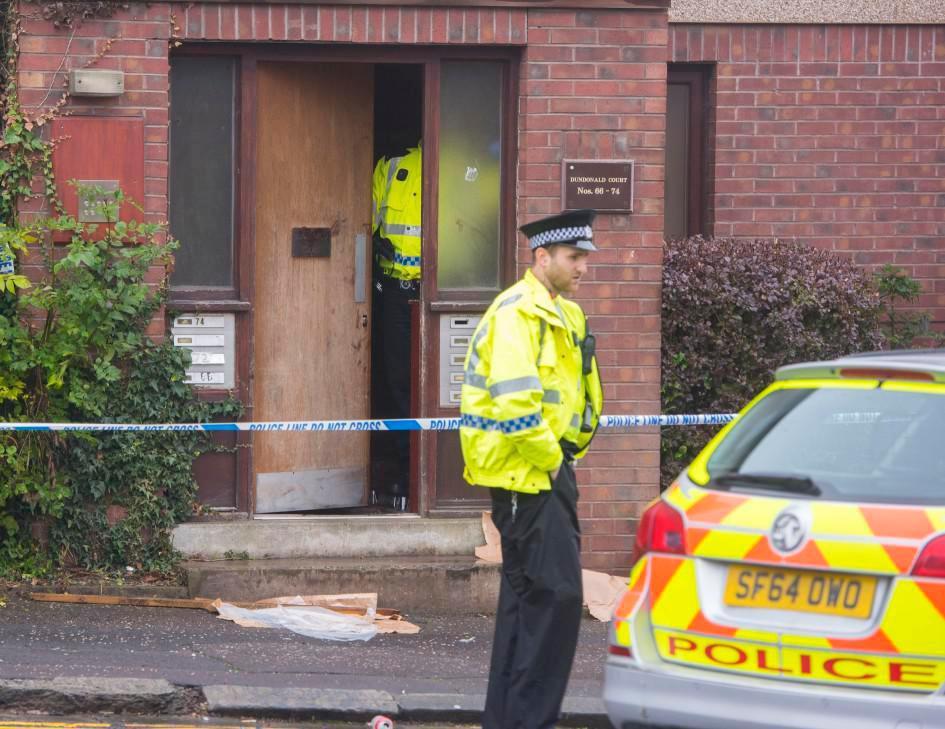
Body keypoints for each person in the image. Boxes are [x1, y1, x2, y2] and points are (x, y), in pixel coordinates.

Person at [459, 209, 604, 729]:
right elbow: (516, 406)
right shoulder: (517, 313)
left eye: (585, 257)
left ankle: (511, 721)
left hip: (543, 470)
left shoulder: (561, 313)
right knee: (555, 598)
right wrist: (553, 462)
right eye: (574, 258)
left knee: (531, 602)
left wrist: (570, 453)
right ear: (542, 257)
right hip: (531, 472)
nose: (583, 267)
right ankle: (527, 720)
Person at [371, 143, 422, 511]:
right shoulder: (390, 166)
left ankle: (420, 472)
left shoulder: (451, 162)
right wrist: (375, 243)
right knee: (397, 380)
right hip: (394, 292)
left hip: (436, 296)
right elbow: (365, 220)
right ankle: (405, 467)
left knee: (430, 385)